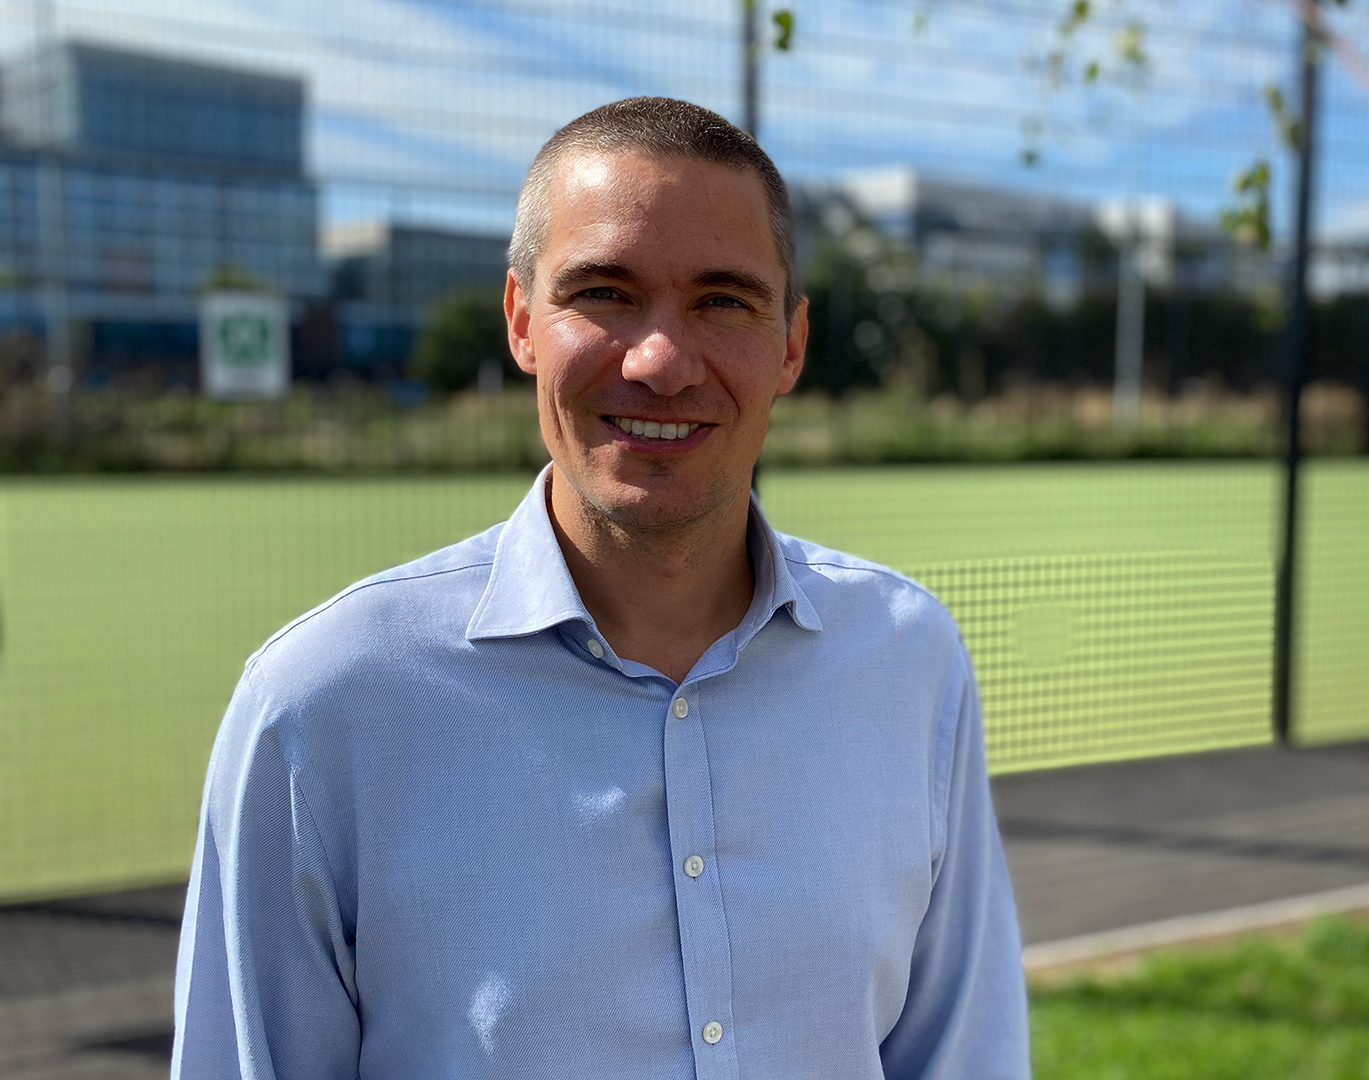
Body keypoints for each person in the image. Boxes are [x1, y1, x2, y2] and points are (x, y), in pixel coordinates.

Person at [173, 97, 1029, 1079]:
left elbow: (964, 1056)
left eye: (722, 301)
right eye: (605, 294)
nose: (661, 361)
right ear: (521, 322)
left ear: (791, 344)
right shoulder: (323, 708)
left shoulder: (907, 657)